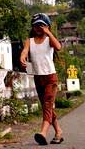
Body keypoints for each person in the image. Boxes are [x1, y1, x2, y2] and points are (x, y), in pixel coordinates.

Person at [20, 13, 63, 145]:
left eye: (41, 25)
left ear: (47, 26)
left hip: (50, 77)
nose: (38, 28)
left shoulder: (49, 39)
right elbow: (25, 51)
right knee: (47, 107)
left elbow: (59, 47)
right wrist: (22, 57)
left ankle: (43, 133)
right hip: (38, 78)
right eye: (35, 25)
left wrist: (48, 33)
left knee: (47, 105)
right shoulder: (30, 41)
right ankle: (59, 132)